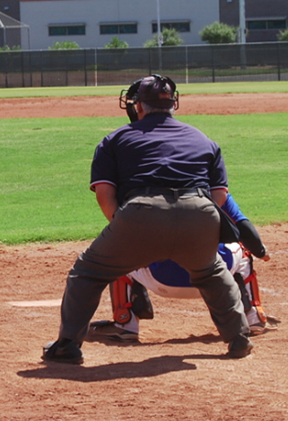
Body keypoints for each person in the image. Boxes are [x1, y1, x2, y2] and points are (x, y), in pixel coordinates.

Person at [42, 74, 253, 364]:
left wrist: (126, 225)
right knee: (211, 272)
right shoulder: (203, 139)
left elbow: (105, 195)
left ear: (138, 105)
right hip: (201, 212)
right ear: (173, 103)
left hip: (141, 212)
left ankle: (67, 346)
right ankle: (238, 338)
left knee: (87, 272)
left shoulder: (116, 138)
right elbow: (219, 197)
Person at [90, 192, 278, 342]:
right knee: (242, 249)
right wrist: (261, 252)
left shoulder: (142, 195)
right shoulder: (213, 191)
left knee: (118, 249)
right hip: (214, 278)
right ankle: (253, 316)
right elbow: (245, 229)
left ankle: (125, 322)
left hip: (160, 281)